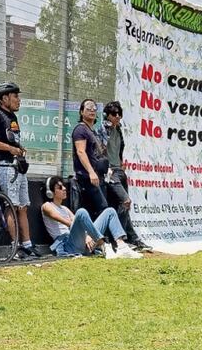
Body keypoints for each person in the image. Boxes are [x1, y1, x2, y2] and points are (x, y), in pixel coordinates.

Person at [0, 82, 42, 261]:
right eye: (15, 96)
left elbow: (10, 139)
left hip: (17, 166)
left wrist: (19, 147)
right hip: (4, 166)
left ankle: (28, 245)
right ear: (4, 98)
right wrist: (10, 149)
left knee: (22, 207)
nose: (19, 100)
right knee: (12, 205)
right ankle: (14, 247)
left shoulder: (12, 117)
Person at [95, 101, 150, 252]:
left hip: (119, 170)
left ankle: (131, 238)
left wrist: (121, 164)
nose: (117, 116)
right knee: (126, 201)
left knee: (123, 206)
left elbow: (119, 149)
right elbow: (99, 150)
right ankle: (119, 239)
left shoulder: (118, 129)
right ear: (107, 115)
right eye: (114, 114)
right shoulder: (103, 129)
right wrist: (106, 168)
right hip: (110, 172)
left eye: (119, 113)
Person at [40, 177, 141, 259]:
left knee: (110, 211)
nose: (64, 189)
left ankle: (121, 246)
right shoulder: (47, 206)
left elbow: (76, 222)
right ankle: (104, 245)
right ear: (50, 192)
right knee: (81, 212)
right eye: (59, 187)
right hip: (68, 244)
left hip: (81, 241)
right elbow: (67, 222)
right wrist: (87, 235)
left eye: (63, 186)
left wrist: (87, 235)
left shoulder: (65, 208)